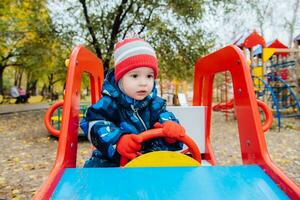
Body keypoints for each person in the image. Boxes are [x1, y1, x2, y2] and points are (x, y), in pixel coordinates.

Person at [80, 38, 186, 167]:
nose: (143, 82)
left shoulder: (155, 104)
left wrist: (171, 129)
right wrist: (117, 140)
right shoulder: (110, 103)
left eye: (149, 76)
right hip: (112, 164)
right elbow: (92, 123)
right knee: (99, 175)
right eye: (135, 76)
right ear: (120, 79)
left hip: (147, 163)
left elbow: (164, 117)